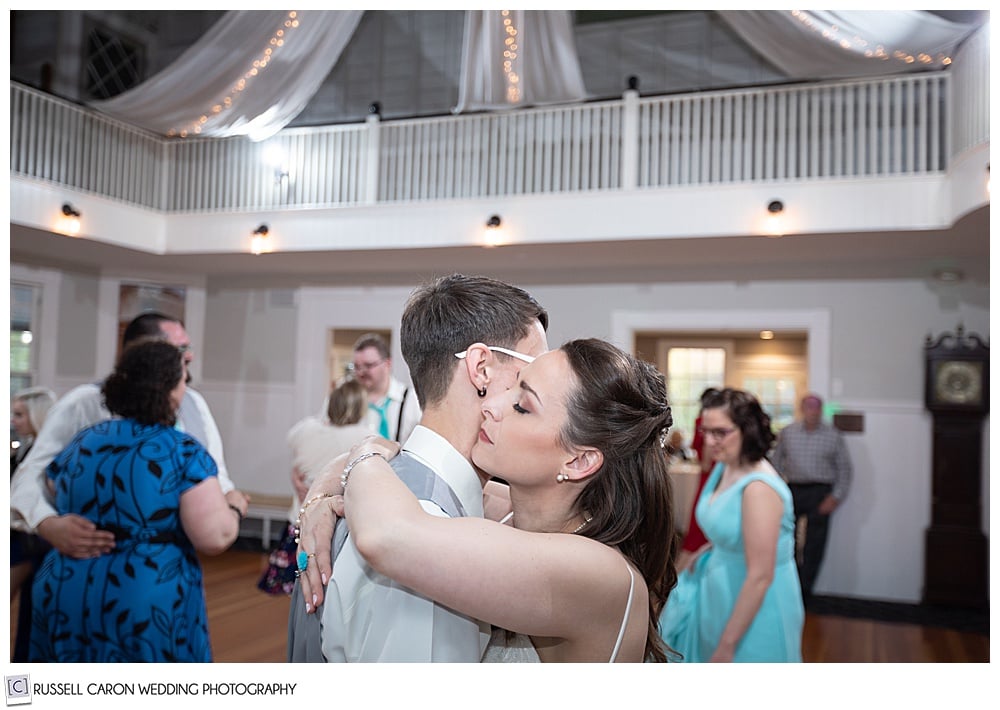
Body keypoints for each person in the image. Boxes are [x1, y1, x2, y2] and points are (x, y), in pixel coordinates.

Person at [339, 338, 679, 662]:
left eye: (522, 406)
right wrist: (325, 495)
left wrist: (366, 451)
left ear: (578, 462)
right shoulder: (516, 512)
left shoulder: (598, 572)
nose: (490, 404)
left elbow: (386, 536)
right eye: (513, 385)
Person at [288, 273, 549, 662]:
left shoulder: (396, 493)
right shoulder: (426, 526)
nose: (539, 387)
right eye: (532, 371)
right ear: (481, 368)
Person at [30, 339, 241, 661]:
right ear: (170, 389)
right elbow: (215, 536)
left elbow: (53, 485)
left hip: (67, 584)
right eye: (184, 381)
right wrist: (235, 506)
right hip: (142, 591)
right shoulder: (181, 451)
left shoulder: (85, 440)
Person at [9, 311, 250, 561]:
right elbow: (31, 475)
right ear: (142, 353)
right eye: (181, 348)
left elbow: (215, 474)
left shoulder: (195, 404)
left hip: (167, 562)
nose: (189, 356)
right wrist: (47, 523)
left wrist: (228, 505)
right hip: (85, 556)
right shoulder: (84, 403)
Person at [659, 387, 803, 662]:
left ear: (747, 430)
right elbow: (734, 525)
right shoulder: (726, 466)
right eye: (706, 432)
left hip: (757, 603)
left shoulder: (759, 488)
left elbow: (761, 575)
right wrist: (712, 547)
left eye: (720, 433)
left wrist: (727, 644)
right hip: (721, 589)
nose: (710, 441)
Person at [257, 378, 371, 595]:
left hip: (300, 521)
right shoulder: (364, 437)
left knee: (299, 591)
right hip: (338, 528)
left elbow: (297, 437)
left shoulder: (306, 431)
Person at [772, 392, 853, 600]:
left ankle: (805, 592)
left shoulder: (833, 435)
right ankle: (787, 587)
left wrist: (835, 497)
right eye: (808, 407)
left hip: (821, 492)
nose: (812, 412)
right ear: (802, 409)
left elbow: (844, 469)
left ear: (821, 410)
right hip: (793, 490)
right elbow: (776, 463)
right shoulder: (788, 433)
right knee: (786, 539)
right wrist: (777, 489)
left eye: (816, 408)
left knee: (814, 544)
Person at [9, 386, 58, 662]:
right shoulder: (28, 448)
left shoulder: (47, 455)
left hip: (30, 540)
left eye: (19, 414)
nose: (13, 420)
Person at [676, 387, 720, 573]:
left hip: (708, 474)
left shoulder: (702, 421)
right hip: (713, 473)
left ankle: (686, 571)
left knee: (700, 518)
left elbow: (703, 456)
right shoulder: (712, 422)